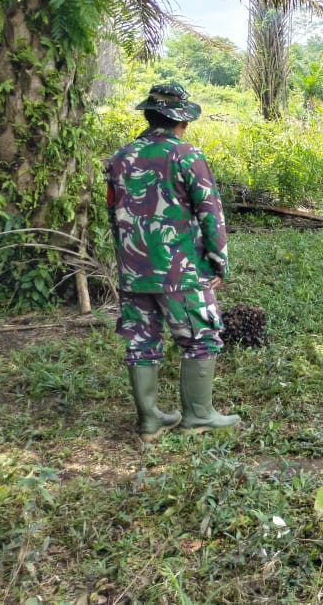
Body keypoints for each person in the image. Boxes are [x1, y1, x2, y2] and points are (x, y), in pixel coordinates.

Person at [106, 83, 240, 442]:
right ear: (181, 120)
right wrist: (218, 263)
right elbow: (211, 213)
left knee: (141, 342)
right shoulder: (186, 155)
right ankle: (198, 416)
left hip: (134, 270)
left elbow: (113, 214)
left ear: (150, 116)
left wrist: (127, 262)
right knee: (201, 338)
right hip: (182, 270)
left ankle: (150, 420)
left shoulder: (121, 157)